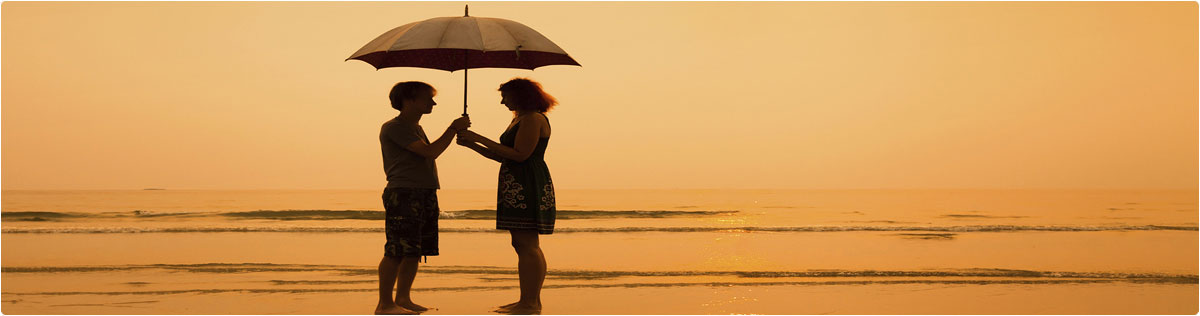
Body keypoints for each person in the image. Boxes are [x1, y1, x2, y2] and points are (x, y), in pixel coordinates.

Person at [456, 78, 556, 314]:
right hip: (516, 183)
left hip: (527, 184)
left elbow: (520, 155)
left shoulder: (533, 118)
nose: (502, 101)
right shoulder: (519, 119)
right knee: (522, 243)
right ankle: (528, 300)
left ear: (520, 96)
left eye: (505, 96)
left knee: (527, 244)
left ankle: (530, 303)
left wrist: (478, 137)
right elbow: (505, 157)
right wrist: (472, 145)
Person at [376, 81, 470, 315]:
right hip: (404, 192)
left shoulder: (415, 127)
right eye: (428, 98)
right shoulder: (395, 127)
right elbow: (430, 152)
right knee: (397, 249)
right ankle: (385, 303)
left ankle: (403, 299)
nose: (433, 103)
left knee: (414, 250)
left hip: (423, 191)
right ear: (409, 100)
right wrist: (452, 129)